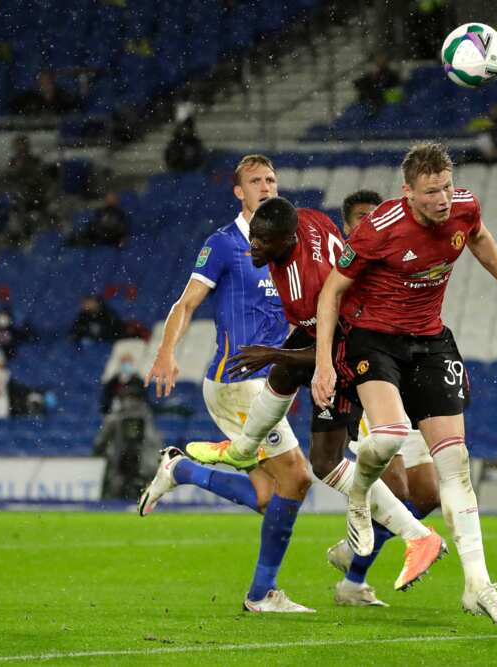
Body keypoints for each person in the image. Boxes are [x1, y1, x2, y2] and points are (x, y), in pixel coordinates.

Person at [186, 196, 444, 607]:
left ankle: (419, 536)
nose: (253, 246)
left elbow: (341, 346)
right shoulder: (306, 220)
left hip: (358, 348)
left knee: (323, 461)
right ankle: (243, 448)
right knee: (285, 371)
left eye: (262, 241)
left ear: (287, 238)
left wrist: (273, 354)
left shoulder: (308, 285)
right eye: (253, 236)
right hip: (341, 331)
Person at [312, 142, 497, 625]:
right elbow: (332, 290)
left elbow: (478, 236)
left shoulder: (465, 206)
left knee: (456, 464)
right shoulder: (379, 229)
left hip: (430, 342)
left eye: (447, 187)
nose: (443, 199)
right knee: (387, 436)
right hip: (374, 341)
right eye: (431, 192)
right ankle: (360, 500)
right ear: (407, 191)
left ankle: (478, 586)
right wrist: (325, 363)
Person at [140, 155, 314, 613]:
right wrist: (166, 351)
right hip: (239, 383)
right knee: (296, 477)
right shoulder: (223, 244)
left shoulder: (286, 245)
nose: (266, 186)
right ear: (239, 192)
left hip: (271, 382)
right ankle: (261, 595)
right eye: (255, 181)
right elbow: (187, 301)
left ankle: (181, 470)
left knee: (267, 495)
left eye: (272, 179)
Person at [94, 384, 164, 500]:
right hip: (144, 470)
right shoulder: (148, 418)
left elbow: (100, 442)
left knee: (112, 504)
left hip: (118, 469)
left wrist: (100, 451)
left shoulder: (115, 417)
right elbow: (155, 443)